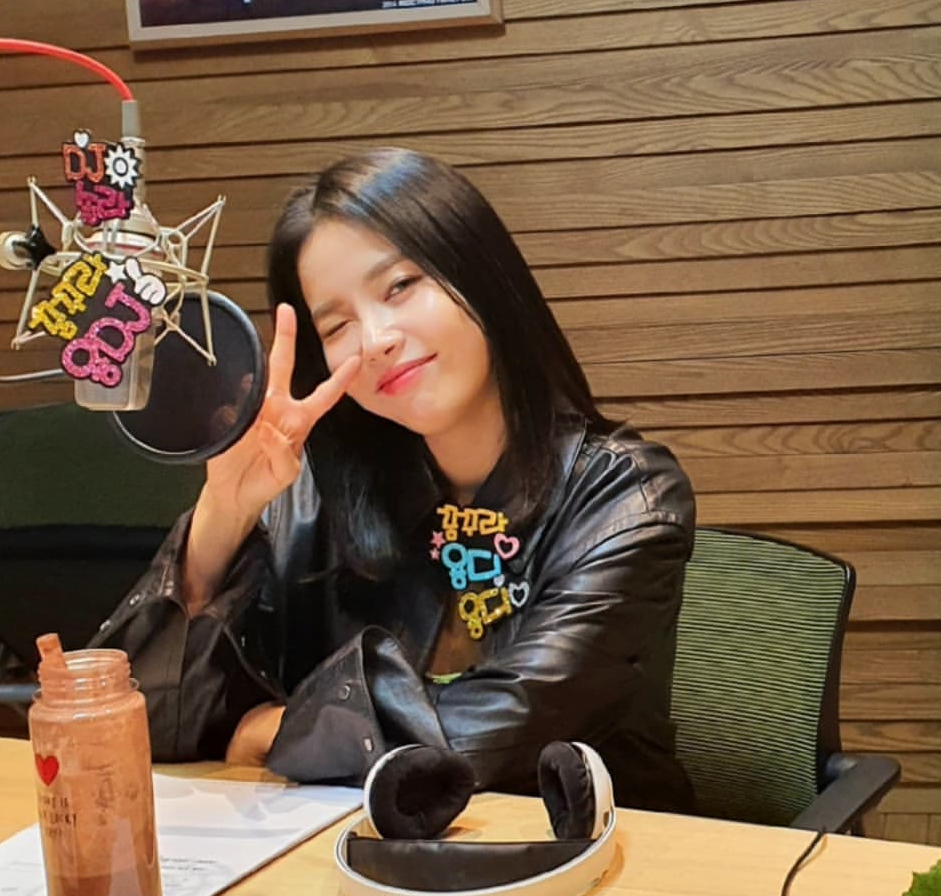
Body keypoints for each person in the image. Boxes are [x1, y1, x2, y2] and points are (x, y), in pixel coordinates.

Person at [96, 150, 697, 813]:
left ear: (479, 273)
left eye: (401, 285)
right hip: (345, 853)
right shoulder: (313, 495)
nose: (375, 339)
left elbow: (490, 738)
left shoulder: (628, 498)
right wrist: (221, 517)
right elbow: (125, 721)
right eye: (337, 325)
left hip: (591, 853)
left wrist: (279, 728)